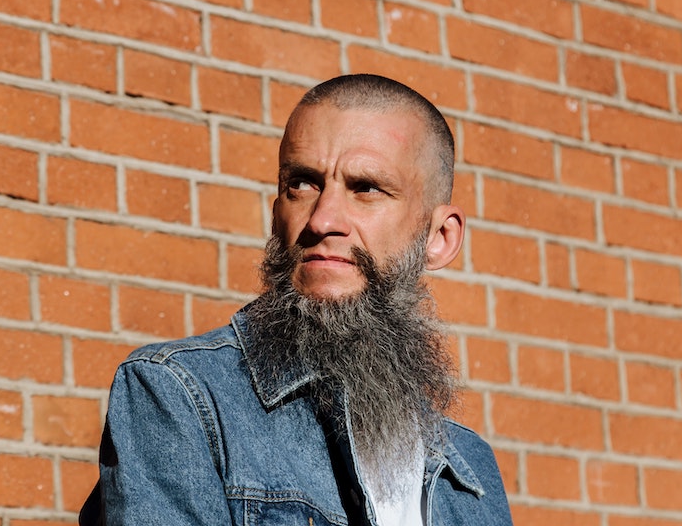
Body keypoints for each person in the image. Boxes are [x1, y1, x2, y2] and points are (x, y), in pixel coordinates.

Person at [79, 74, 513, 525]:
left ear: (439, 237)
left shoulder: (470, 470)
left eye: (365, 188)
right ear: (275, 213)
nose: (322, 219)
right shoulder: (179, 397)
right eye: (302, 184)